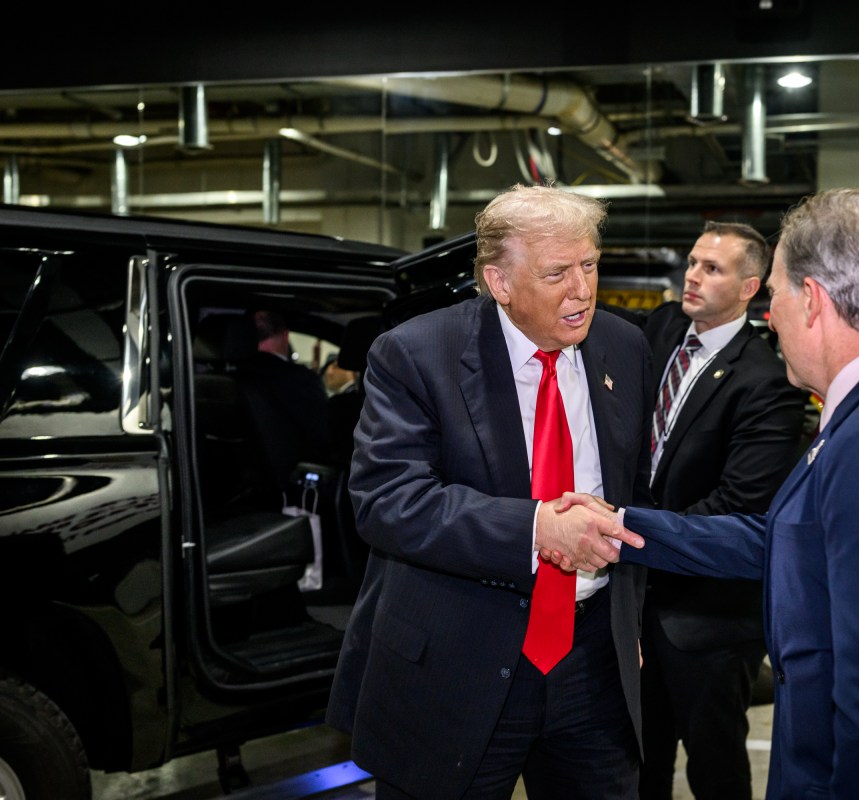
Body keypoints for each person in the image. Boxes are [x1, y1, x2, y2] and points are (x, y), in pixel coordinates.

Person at [556, 188, 859, 799]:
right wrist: (620, 527)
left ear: (813, 301)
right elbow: (787, 537)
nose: (770, 315)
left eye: (774, 294)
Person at [325, 182, 655, 800]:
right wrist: (536, 529)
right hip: (458, 659)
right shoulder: (417, 353)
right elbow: (388, 500)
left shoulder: (624, 345)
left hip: (592, 664)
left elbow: (633, 489)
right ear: (499, 282)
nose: (582, 290)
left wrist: (627, 621)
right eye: (558, 273)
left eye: (590, 265)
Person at [635, 222, 806, 800]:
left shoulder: (767, 382)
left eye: (712, 268)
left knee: (715, 771)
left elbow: (740, 505)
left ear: (749, 287)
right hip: (636, 606)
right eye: (691, 262)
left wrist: (629, 537)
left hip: (707, 620)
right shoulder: (659, 329)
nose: (692, 275)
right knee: (638, 760)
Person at [241, 309, 333, 486]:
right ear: (285, 335)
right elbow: (322, 438)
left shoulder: (232, 378)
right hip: (289, 486)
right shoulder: (299, 380)